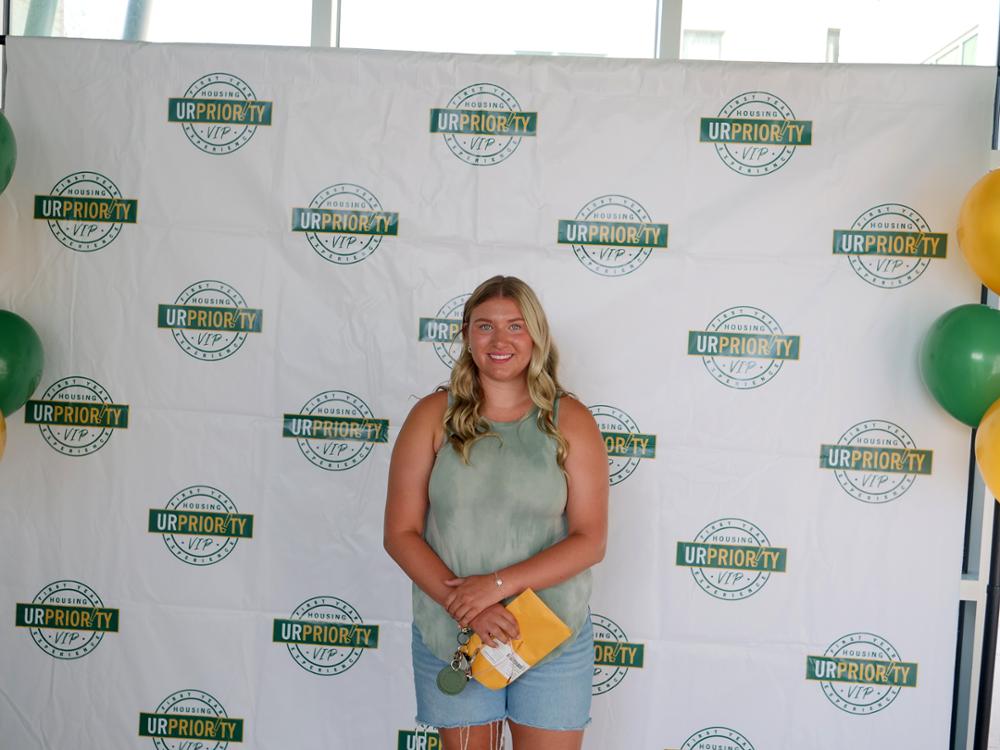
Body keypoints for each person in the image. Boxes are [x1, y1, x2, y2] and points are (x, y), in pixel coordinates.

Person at [384, 275, 609, 750]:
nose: (500, 340)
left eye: (516, 326)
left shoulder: (571, 421)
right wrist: (468, 608)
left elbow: (590, 540)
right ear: (467, 334)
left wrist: (496, 587)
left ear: (536, 335)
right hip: (454, 634)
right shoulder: (430, 417)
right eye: (485, 326)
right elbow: (400, 533)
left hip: (552, 633)